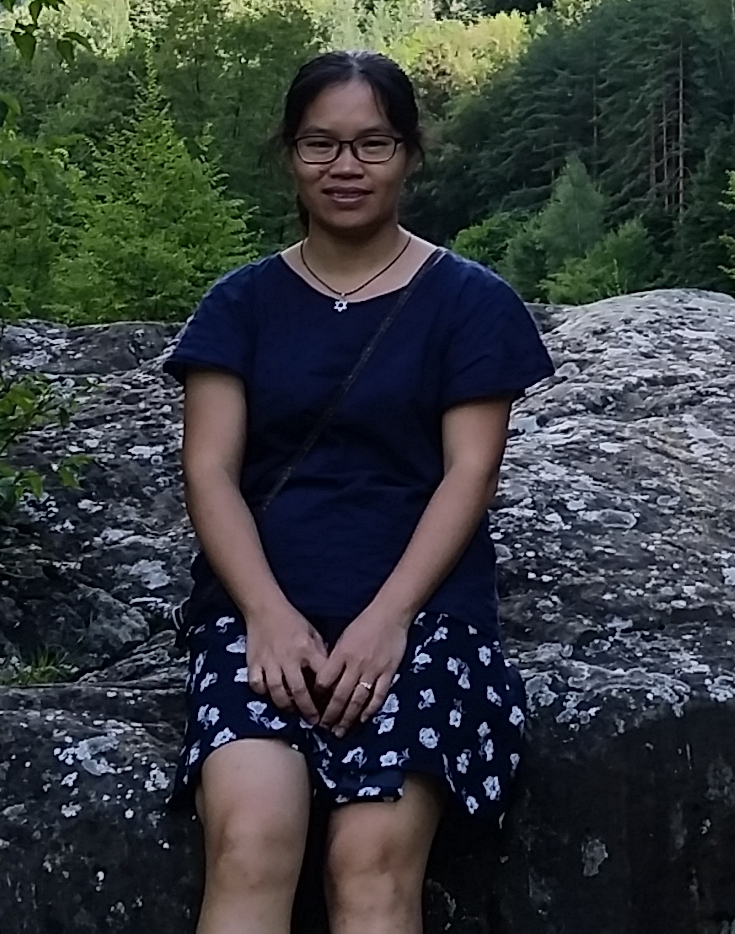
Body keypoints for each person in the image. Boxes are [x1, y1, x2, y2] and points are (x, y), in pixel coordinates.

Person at [164, 50, 556, 934]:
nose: (345, 168)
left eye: (372, 144)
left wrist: (389, 622)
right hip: (263, 617)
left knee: (369, 864)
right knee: (252, 841)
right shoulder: (241, 305)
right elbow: (210, 469)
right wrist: (263, 613)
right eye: (321, 145)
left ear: (411, 153)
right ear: (290, 154)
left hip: (422, 621)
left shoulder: (471, 304)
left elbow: (471, 472)